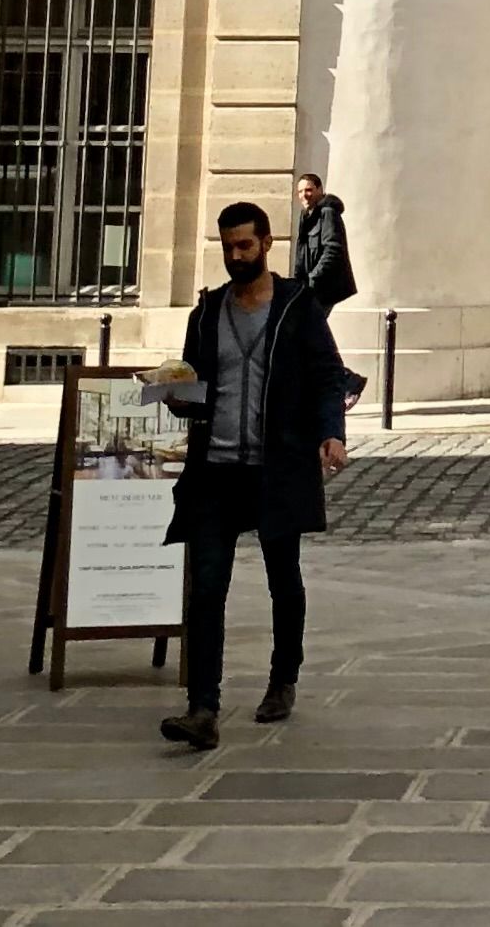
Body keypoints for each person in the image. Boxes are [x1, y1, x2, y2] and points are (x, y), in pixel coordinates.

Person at [156, 201, 349, 751]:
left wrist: (330, 432)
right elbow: (195, 385)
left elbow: (327, 377)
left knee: (282, 579)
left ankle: (282, 678)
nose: (236, 256)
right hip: (215, 471)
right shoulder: (207, 311)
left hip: (276, 467)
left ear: (267, 243)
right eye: (227, 247)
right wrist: (177, 396)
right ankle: (203, 708)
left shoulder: (297, 306)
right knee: (207, 586)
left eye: (245, 245)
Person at [291, 173, 357, 315]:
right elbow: (302, 253)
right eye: (300, 192)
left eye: (308, 190)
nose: (304, 195)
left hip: (325, 289)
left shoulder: (327, 212)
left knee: (310, 329)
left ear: (320, 190)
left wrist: (313, 277)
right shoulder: (307, 216)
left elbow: (333, 249)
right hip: (311, 289)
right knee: (312, 331)